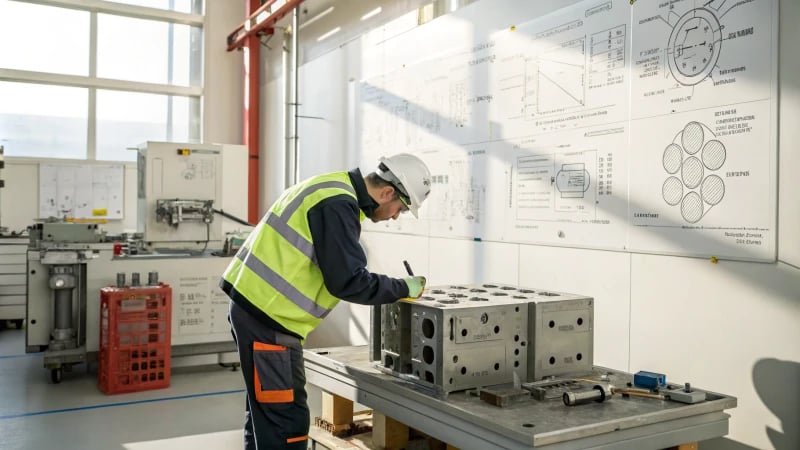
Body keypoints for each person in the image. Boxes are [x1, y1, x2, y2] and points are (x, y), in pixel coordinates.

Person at [220, 153, 431, 450]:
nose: (396, 216)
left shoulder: (334, 188)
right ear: (387, 193)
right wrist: (402, 287)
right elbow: (349, 282)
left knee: (265, 414)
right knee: (285, 424)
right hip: (268, 322)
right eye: (400, 208)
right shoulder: (337, 205)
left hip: (256, 312)